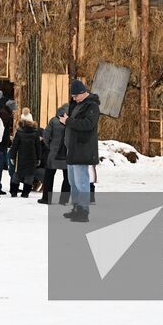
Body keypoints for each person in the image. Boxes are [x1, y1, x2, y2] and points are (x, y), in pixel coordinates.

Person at [63, 79, 100, 223]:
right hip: (72, 148)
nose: (74, 98)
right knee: (73, 181)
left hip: (82, 149)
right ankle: (76, 208)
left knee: (81, 181)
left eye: (75, 96)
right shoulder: (78, 105)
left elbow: (88, 124)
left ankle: (84, 210)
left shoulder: (92, 105)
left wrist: (68, 121)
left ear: (82, 92)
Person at [39, 104, 70, 206]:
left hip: (54, 153)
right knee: (67, 178)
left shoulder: (54, 120)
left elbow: (46, 136)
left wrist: (50, 146)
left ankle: (46, 199)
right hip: (68, 154)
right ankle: (64, 200)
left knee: (49, 176)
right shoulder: (72, 122)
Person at [9, 109, 42, 198]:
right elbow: (38, 147)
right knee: (29, 175)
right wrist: (39, 158)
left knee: (17, 174)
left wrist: (12, 156)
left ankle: (13, 192)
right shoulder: (35, 132)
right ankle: (25, 193)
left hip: (20, 157)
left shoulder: (19, 132)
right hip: (32, 157)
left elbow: (15, 146)